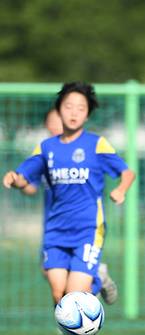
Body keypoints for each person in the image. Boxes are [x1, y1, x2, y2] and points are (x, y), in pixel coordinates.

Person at [2, 82, 135, 335]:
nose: (74, 113)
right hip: (55, 230)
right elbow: (26, 176)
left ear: (87, 114)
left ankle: (98, 279)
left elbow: (127, 172)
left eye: (80, 108)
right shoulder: (46, 147)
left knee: (76, 294)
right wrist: (14, 179)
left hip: (89, 228)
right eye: (68, 107)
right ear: (59, 111)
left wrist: (120, 190)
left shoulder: (96, 144)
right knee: (57, 292)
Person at [23, 108, 119, 303]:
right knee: (50, 274)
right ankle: (76, 308)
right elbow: (30, 185)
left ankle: (93, 282)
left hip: (83, 226)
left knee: (73, 286)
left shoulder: (84, 151)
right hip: (54, 225)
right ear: (47, 125)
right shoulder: (44, 154)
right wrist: (20, 182)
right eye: (54, 121)